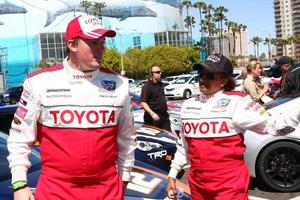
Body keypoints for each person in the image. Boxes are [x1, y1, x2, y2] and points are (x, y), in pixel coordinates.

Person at [7, 15, 136, 200]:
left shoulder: (119, 83)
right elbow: (19, 138)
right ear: (72, 45)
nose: (101, 48)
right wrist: (19, 184)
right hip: (55, 191)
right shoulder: (39, 82)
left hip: (107, 190)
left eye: (102, 42)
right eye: (94, 42)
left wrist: (124, 179)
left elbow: (127, 139)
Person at [166, 54, 299, 200]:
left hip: (230, 188)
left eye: (209, 75)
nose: (202, 79)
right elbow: (184, 144)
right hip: (198, 186)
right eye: (200, 74)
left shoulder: (238, 102)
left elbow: (274, 126)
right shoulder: (187, 105)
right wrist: (172, 174)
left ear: (223, 81)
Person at [140, 65, 171, 132]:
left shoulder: (161, 84)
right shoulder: (147, 86)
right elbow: (143, 102)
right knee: (155, 140)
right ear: (151, 74)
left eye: (160, 72)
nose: (160, 73)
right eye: (158, 72)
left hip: (164, 116)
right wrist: (152, 113)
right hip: (152, 118)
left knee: (170, 137)